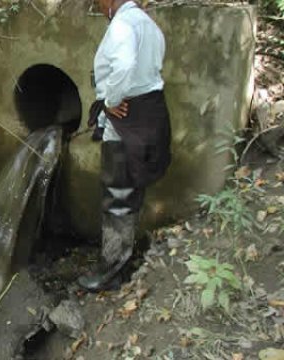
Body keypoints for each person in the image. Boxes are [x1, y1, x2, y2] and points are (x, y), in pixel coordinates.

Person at [78, 0, 172, 291]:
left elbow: (125, 65)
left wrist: (111, 100)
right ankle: (122, 260)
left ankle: (111, 272)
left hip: (127, 119)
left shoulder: (122, 25)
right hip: (150, 115)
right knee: (130, 191)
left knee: (118, 195)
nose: (96, 5)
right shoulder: (148, 24)